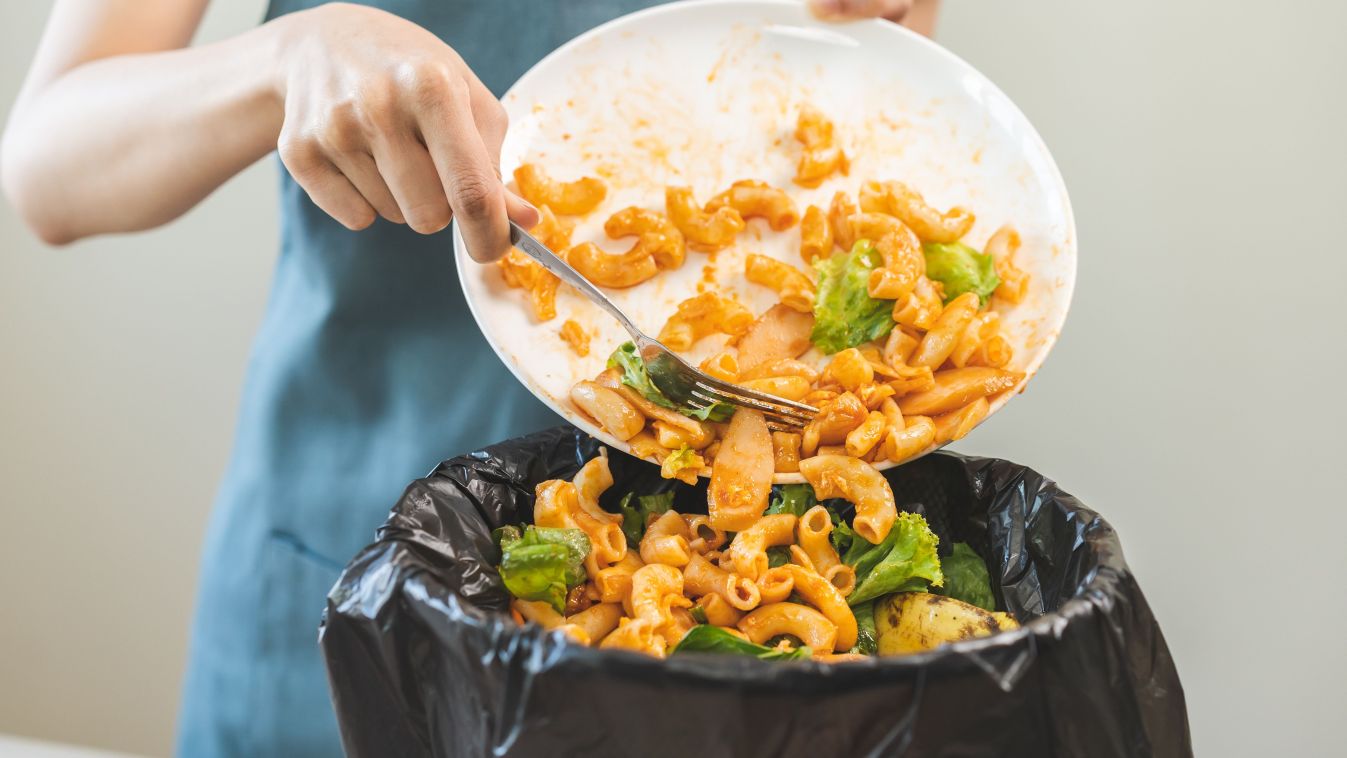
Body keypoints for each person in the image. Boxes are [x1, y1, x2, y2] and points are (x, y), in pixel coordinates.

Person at [1, 0, 939, 755]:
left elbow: (868, 108)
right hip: (351, 560)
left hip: (716, 586)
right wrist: (285, 61)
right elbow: (48, 165)